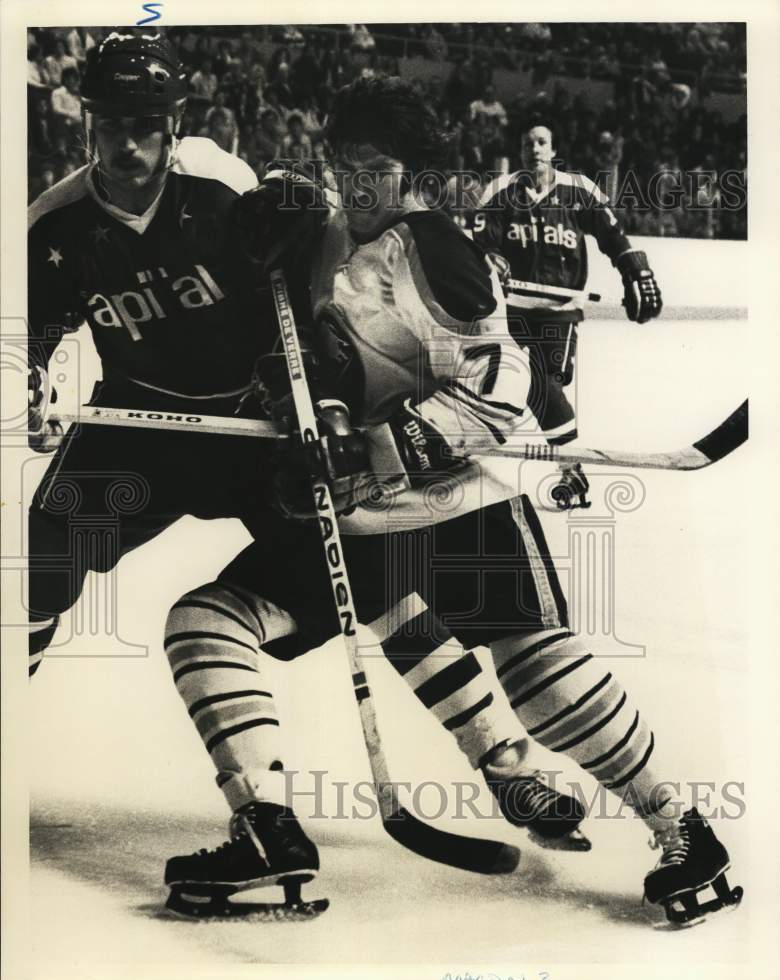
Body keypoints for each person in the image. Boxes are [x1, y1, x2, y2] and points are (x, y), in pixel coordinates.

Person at [160, 77, 739, 927]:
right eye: (344, 166)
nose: (359, 187)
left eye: (379, 170)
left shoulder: (435, 249)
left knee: (542, 680)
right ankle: (266, 829)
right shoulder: (318, 233)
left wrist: (385, 445)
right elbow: (307, 357)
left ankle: (683, 830)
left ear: (415, 172)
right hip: (352, 520)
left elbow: (504, 381)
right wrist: (303, 414)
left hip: (455, 504)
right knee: (205, 623)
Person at [26, 32, 302, 680]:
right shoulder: (52, 224)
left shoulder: (221, 185)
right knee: (41, 556)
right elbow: (23, 340)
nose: (126, 145)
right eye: (111, 125)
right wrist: (23, 387)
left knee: (348, 557)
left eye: (145, 126)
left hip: (253, 420)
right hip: (137, 419)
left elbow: (301, 286)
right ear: (87, 120)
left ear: (174, 122)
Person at [471, 122, 663, 509]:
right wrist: (490, 257)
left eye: (542, 141)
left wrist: (635, 270)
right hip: (511, 311)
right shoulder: (500, 191)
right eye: (528, 143)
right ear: (520, 150)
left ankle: (570, 469)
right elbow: (481, 237)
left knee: (544, 384)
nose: (534, 149)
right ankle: (571, 473)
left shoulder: (580, 189)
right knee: (517, 381)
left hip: (559, 313)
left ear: (553, 148)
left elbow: (614, 237)